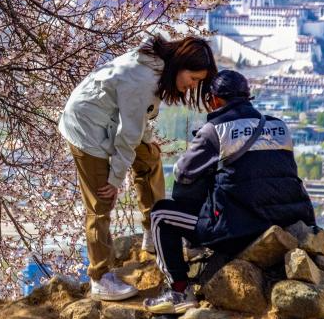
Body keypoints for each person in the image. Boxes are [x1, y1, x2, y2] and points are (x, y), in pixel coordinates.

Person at [59, 34, 217, 301]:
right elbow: (128, 133)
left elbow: (136, 116)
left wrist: (146, 141)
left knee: (150, 158)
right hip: (85, 128)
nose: (192, 87)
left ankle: (152, 230)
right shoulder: (143, 79)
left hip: (107, 119)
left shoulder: (158, 66)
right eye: (194, 79)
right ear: (180, 65)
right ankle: (101, 277)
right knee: (101, 200)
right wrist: (115, 178)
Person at [145, 70, 316, 314]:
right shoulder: (279, 126)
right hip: (288, 219)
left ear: (214, 100)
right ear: (247, 97)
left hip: (239, 227)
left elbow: (183, 173)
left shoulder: (216, 130)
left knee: (161, 215)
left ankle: (179, 290)